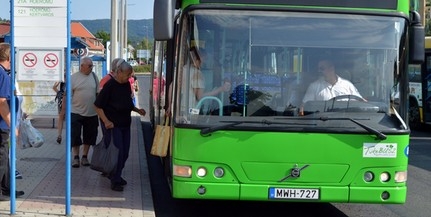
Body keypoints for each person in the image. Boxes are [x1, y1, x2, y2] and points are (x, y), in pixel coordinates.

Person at [94, 59, 146, 191]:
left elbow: (128, 103)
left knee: (125, 153)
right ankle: (115, 179)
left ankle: (116, 175)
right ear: (118, 72)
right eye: (127, 74)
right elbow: (97, 106)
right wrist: (106, 121)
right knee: (118, 152)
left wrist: (137, 110)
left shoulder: (126, 85)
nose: (129, 77)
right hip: (114, 126)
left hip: (125, 124)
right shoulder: (110, 86)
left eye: (130, 75)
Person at [0, 42, 25, 197]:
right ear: (9, 57)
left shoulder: (4, 73)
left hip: (3, 124)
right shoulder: (2, 74)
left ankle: (7, 188)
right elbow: (2, 102)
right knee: (1, 159)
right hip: (2, 125)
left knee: (5, 158)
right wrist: (11, 124)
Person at [70, 57, 99, 168]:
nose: (91, 68)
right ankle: (76, 157)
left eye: (92, 66)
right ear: (82, 66)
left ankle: (85, 156)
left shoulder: (94, 77)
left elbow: (97, 94)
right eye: (90, 66)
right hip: (76, 111)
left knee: (90, 136)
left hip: (91, 112)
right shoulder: (74, 78)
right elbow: (68, 94)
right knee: (75, 135)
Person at [52, 75, 66, 144]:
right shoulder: (64, 82)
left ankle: (59, 135)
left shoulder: (64, 83)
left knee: (61, 118)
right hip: (63, 99)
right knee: (61, 118)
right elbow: (54, 87)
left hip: (62, 99)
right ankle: (59, 135)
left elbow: (54, 87)